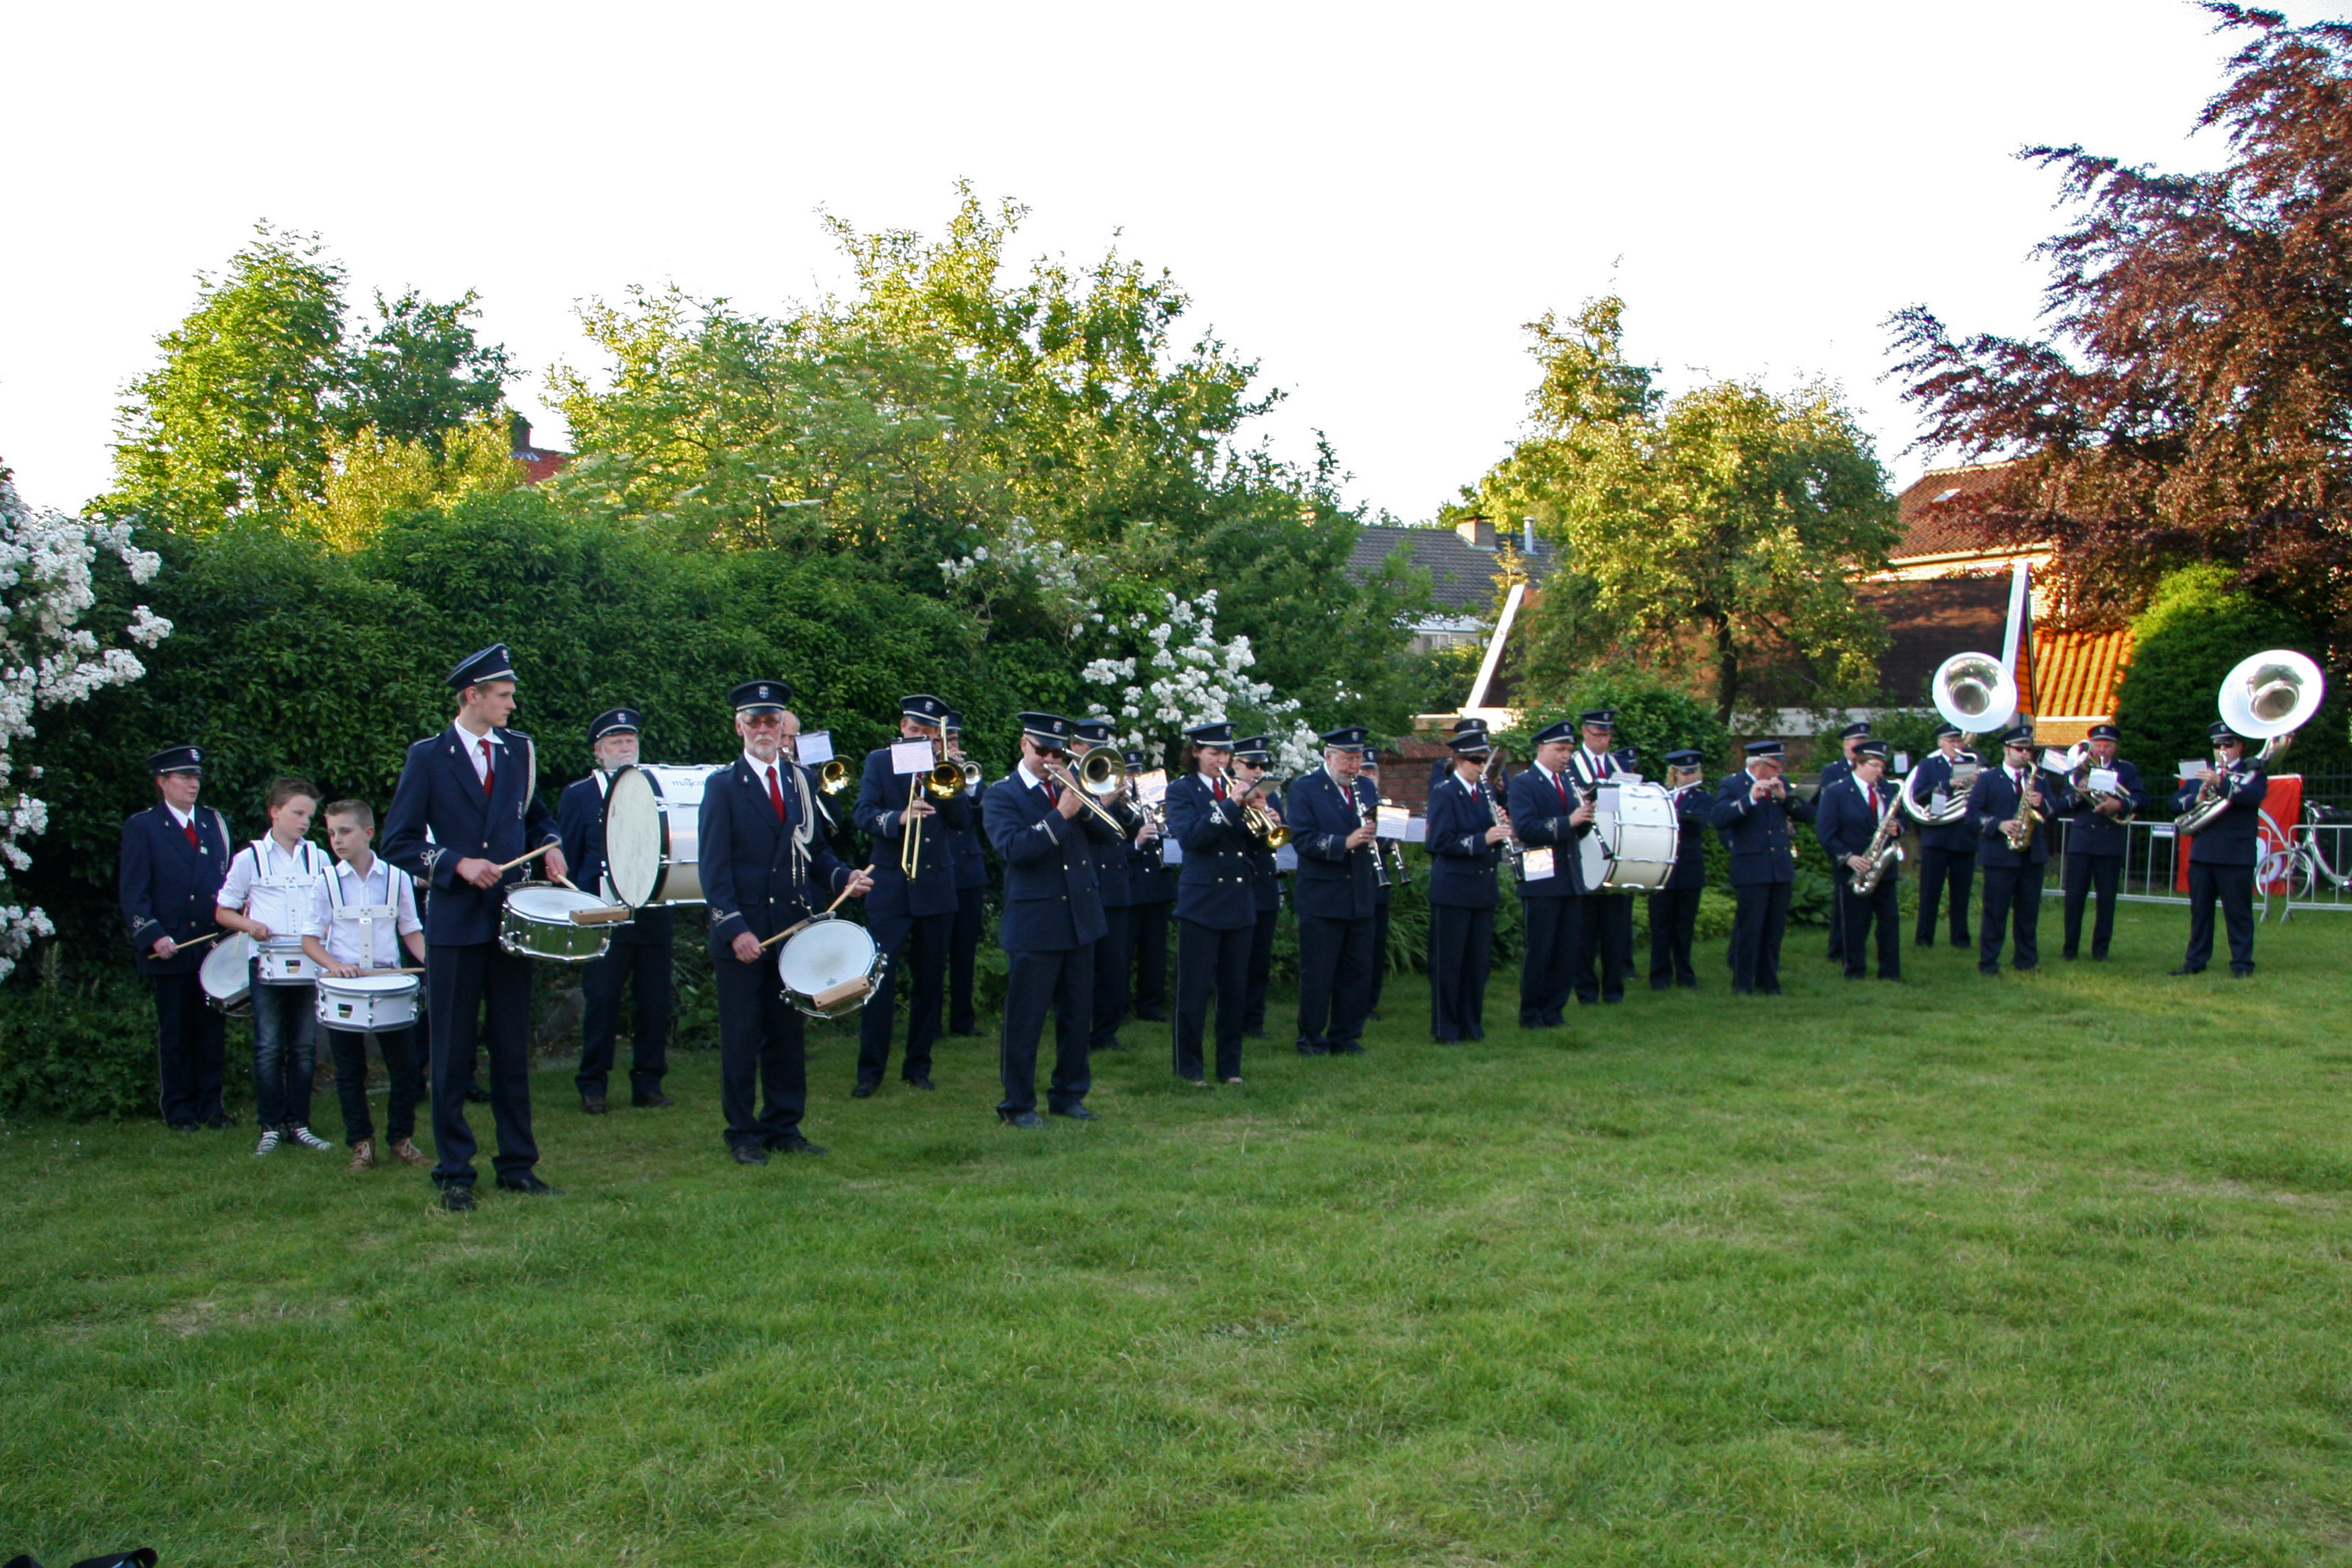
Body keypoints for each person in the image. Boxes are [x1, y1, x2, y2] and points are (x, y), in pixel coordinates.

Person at [381, 643, 571, 1212]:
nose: (512, 705)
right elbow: (398, 842)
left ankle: (517, 1166)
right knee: (452, 1053)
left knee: (512, 1050)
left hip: (511, 924)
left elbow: (536, 817)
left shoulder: (519, 750)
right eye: (504, 696)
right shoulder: (427, 757)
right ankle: (454, 1173)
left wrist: (551, 845)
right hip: (454, 925)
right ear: (473, 696)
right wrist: (456, 864)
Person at [700, 679, 872, 1163]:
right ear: (739, 727)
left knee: (786, 1037)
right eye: (754, 721)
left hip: (792, 930)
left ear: (782, 727)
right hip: (746, 933)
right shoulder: (723, 786)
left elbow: (814, 850)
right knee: (741, 1038)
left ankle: (785, 1127)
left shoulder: (800, 780)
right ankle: (743, 1135)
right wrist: (735, 930)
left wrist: (843, 876)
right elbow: (714, 871)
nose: (764, 729)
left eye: (772, 721)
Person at [980, 712, 1118, 1125]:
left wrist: (1089, 799)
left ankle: (1069, 1095)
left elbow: (1111, 836)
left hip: (1080, 918)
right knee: (1026, 1021)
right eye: (1042, 751)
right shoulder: (1002, 794)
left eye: (1058, 753)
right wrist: (1061, 814)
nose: (1051, 760)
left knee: (1077, 1017)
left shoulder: (1070, 787)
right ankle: (1017, 1105)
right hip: (1035, 922)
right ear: (1024, 744)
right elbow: (1015, 849)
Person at [850, 694, 971, 1096]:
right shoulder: (879, 762)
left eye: (930, 732)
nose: (922, 737)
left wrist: (951, 780)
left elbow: (963, 822)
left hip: (936, 885)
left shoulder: (944, 767)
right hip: (890, 885)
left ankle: (918, 1067)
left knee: (930, 983)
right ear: (903, 728)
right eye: (915, 729)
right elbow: (862, 812)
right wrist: (898, 817)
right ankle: (870, 1073)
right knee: (878, 982)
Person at [300, 798, 430, 1172]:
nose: (337, 840)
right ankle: (361, 1144)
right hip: (344, 988)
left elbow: (411, 930)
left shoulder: (398, 878)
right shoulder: (325, 882)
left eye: (345, 831)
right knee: (349, 1070)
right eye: (331, 833)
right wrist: (335, 966)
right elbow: (310, 940)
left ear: (368, 833)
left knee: (405, 1068)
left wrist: (433, 962)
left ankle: (401, 1140)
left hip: (390, 985)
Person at [556, 707, 673, 1114]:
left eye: (630, 741)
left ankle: (648, 1083)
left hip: (653, 913)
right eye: (616, 742)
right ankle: (593, 1086)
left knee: (654, 1002)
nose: (625, 748)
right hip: (604, 916)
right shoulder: (579, 795)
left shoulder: (655, 786)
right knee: (602, 1001)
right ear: (599, 751)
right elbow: (571, 860)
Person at [119, 745, 235, 1132]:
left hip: (210, 946)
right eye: (184, 777)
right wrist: (152, 935)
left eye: (196, 777)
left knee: (210, 1031)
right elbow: (134, 892)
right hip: (171, 946)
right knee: (176, 1032)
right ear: (162, 782)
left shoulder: (214, 822)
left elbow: (227, 884)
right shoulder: (144, 826)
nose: (193, 784)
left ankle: (211, 1106)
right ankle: (179, 1109)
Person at [213, 777, 333, 1155]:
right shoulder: (249, 858)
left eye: (309, 816)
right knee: (268, 1046)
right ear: (275, 812)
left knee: (304, 1046)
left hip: (309, 963)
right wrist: (250, 926)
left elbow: (331, 906)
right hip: (266, 963)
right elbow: (223, 910)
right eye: (297, 813)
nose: (304, 822)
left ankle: (299, 1123)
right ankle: (270, 1125)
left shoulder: (318, 857)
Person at [1164, 721, 1259, 1085]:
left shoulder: (1237, 789)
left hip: (1238, 898)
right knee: (1193, 990)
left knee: (1234, 991)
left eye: (1226, 754)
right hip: (1201, 901)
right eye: (1214, 753)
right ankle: (1189, 1068)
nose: (1221, 760)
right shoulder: (1182, 790)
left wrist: (1264, 819)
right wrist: (1231, 804)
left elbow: (1253, 844)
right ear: (1196, 753)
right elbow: (1193, 837)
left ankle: (1230, 1067)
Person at [1288, 726, 1382, 1057]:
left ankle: (1346, 1036)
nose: (1354, 767)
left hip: (1360, 893)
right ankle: (1312, 1038)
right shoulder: (1305, 789)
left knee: (1357, 971)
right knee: (1319, 972)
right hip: (1323, 897)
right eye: (1347, 759)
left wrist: (1385, 832)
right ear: (1328, 757)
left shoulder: (1366, 787)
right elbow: (1303, 840)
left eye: (1358, 759)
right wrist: (1345, 842)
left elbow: (1377, 831)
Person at [1505, 718, 1596, 1027]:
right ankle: (1531, 1012)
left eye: (1569, 750)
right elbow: (1526, 829)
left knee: (1567, 949)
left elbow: (1575, 833)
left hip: (1569, 872)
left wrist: (1584, 820)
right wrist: (1568, 821)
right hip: (1540, 869)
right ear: (1542, 749)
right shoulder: (1524, 783)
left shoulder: (1568, 783)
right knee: (1541, 947)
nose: (1566, 756)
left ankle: (1555, 1010)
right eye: (1560, 750)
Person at [1712, 740, 1816, 995]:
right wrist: (1750, 799)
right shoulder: (1733, 785)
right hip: (1751, 867)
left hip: (1779, 866)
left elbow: (1810, 815)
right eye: (1775, 766)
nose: (1780, 771)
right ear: (1758, 765)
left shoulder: (1782, 784)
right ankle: (1743, 983)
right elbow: (1720, 818)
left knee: (1774, 929)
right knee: (1750, 928)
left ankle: (1769, 981)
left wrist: (1786, 799)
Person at [1424, 722, 1507, 1041]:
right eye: (1475, 761)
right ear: (1459, 760)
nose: (1480, 767)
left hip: (1482, 886)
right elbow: (1439, 842)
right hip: (1454, 888)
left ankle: (1472, 1024)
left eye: (1484, 760)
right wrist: (1483, 839)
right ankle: (1446, 1028)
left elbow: (1489, 836)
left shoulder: (1485, 791)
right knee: (1449, 963)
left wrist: (1501, 830)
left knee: (1477, 963)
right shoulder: (1445, 793)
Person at [1968, 726, 2073, 976]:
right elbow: (1972, 815)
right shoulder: (1988, 779)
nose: (2026, 754)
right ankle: (1989, 962)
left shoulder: (2039, 779)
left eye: (2029, 750)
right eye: (2020, 749)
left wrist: (2042, 803)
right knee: (1995, 912)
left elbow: (2054, 810)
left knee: (2028, 912)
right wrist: (1998, 824)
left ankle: (2026, 960)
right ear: (2006, 750)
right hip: (2000, 855)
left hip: (2031, 854)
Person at [2171, 720, 2269, 978]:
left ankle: (2242, 964)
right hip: (2203, 853)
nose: (2223, 749)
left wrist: (2222, 782)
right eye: (2218, 745)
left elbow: (2253, 797)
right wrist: (2197, 798)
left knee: (2238, 914)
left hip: (2236, 855)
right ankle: (2195, 962)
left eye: (2229, 744)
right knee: (2200, 913)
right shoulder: (2201, 773)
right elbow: (2174, 803)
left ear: (2241, 746)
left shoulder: (2252, 773)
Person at [1072, 718, 1138, 1055]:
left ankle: (1106, 1031)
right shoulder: (1066, 779)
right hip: (1084, 880)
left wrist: (1125, 807)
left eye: (1102, 747)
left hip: (1114, 880)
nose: (1096, 752)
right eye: (1090, 746)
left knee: (1115, 963)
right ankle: (1077, 1029)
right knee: (1082, 966)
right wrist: (1104, 803)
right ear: (1075, 747)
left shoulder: (1109, 774)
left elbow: (1126, 832)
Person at [1814, 740, 1906, 981]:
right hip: (1854, 867)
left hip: (1884, 866)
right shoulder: (1836, 792)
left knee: (1890, 921)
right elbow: (1825, 833)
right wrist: (1848, 858)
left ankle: (1890, 972)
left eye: (1882, 766)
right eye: (1875, 765)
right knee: (1855, 923)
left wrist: (1898, 828)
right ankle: (1855, 971)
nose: (1880, 771)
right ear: (1860, 764)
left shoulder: (1887, 790)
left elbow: (1902, 818)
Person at [2061, 722, 2150, 961]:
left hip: (2110, 841)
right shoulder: (2077, 770)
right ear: (2091, 747)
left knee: (2107, 899)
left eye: (2107, 745)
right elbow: (2062, 803)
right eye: (2098, 745)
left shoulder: (2126, 770)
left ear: (2115, 747)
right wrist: (2080, 792)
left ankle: (2101, 951)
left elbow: (2142, 798)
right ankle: (2069, 949)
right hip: (2081, 841)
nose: (2102, 750)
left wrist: (2119, 804)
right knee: (2074, 898)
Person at [1564, 710, 1634, 1004]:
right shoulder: (1571, 765)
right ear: (1585, 732)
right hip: (1585, 847)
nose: (1603, 741)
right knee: (1585, 927)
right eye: (1598, 735)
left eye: (1607, 735)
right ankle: (1586, 989)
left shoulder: (1621, 765)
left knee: (1616, 927)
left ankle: (1614, 988)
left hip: (1616, 849)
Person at [1230, 736, 1283, 1039]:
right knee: (1236, 961)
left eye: (1262, 765)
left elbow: (1278, 839)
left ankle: (1255, 1020)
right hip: (1237, 884)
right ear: (1236, 764)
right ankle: (1232, 1018)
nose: (1258, 771)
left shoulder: (1268, 795)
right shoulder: (1228, 795)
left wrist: (1274, 818)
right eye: (1252, 765)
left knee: (1260, 959)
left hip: (1264, 883)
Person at [942, 710, 991, 1038]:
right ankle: (930, 1022)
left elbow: (977, 814)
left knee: (965, 951)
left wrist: (967, 782)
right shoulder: (925, 770)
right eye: (947, 740)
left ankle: (963, 1020)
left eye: (955, 740)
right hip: (938, 868)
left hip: (968, 871)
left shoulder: (968, 774)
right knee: (933, 954)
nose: (953, 746)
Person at [1908, 723, 1978, 950]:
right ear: (1940, 742)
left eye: (1958, 740)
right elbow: (1919, 795)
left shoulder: (1971, 762)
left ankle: (1960, 938)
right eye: (1951, 741)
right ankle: (1924, 938)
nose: (1956, 745)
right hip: (1937, 836)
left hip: (1963, 835)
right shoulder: (1929, 764)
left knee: (1962, 892)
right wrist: (1948, 784)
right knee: (1930, 891)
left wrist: (1978, 782)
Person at [1648, 750, 1710, 991]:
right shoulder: (1661, 796)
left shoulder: (1702, 797)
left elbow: (1699, 824)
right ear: (1674, 774)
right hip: (1661, 869)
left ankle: (1685, 975)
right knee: (1660, 924)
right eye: (1685, 773)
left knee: (1684, 925)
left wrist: (1673, 817)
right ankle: (1659, 976)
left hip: (1688, 868)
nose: (1690, 777)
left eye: (1693, 772)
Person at [1124, 748, 1177, 1024]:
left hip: (1157, 885)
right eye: (1129, 773)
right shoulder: (1115, 804)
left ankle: (1151, 1004)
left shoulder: (1155, 800)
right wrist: (1136, 842)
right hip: (1129, 888)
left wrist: (1164, 829)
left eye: (1137, 773)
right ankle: (1118, 1006)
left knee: (1155, 952)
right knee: (1122, 953)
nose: (1134, 778)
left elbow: (1175, 840)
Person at [1818, 720, 1871, 963]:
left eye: (1864, 743)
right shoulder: (1833, 771)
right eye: (1857, 743)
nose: (1860, 747)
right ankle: (1838, 948)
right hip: (1842, 841)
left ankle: (1858, 945)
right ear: (1846, 745)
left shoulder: (1871, 768)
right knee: (1844, 898)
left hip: (1866, 840)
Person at [1360, 748, 1398, 1020]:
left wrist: (1387, 834)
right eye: (1365, 771)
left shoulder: (1382, 804)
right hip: (1357, 879)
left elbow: (1388, 842)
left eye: (1373, 772)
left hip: (1378, 880)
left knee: (1376, 945)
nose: (1370, 776)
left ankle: (1370, 1002)